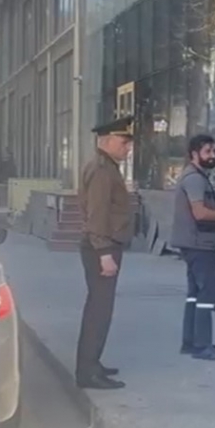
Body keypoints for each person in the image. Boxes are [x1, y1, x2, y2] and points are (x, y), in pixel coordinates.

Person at [170, 135, 215, 361]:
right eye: (207, 152)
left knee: (194, 294)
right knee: (207, 294)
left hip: (193, 243)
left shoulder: (196, 176)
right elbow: (200, 213)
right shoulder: (195, 179)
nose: (212, 156)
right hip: (200, 244)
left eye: (213, 151)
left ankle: (190, 343)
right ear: (194, 154)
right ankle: (202, 346)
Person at [76, 115, 135, 390]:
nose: (128, 148)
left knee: (100, 309)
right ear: (107, 141)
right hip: (102, 247)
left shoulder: (106, 166)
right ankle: (88, 372)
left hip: (103, 244)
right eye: (124, 142)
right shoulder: (102, 170)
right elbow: (97, 213)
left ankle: (92, 363)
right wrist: (104, 253)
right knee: (99, 312)